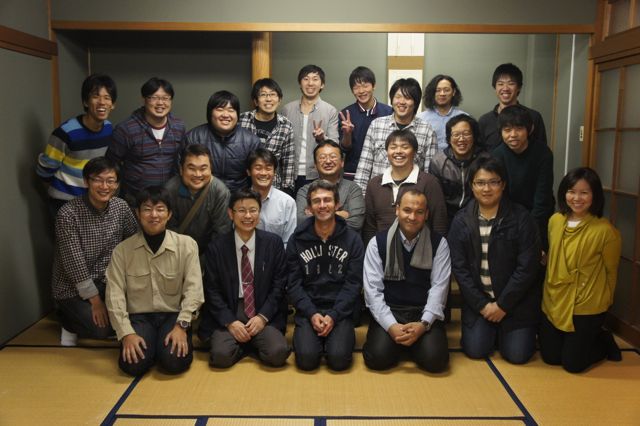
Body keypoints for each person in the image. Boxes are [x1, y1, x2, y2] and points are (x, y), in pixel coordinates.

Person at [448, 156, 541, 364]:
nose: (487, 189)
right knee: (476, 350)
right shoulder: (461, 220)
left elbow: (527, 267)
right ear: (472, 185)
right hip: (479, 303)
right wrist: (482, 305)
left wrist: (503, 305)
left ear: (503, 184)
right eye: (480, 183)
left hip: (515, 303)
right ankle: (492, 330)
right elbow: (459, 269)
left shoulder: (521, 218)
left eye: (493, 182)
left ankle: (504, 331)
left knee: (517, 355)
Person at [106, 186, 204, 376]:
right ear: (138, 213)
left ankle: (160, 348)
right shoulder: (122, 251)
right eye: (147, 209)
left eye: (160, 209)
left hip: (173, 316)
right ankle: (152, 348)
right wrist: (127, 333)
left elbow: (194, 290)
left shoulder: (187, 245)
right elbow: (114, 295)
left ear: (169, 214)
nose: (154, 215)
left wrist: (182, 326)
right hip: (140, 317)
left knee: (174, 362)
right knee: (132, 366)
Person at [540, 167, 622, 373]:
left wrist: (606, 301)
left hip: (585, 303)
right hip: (555, 298)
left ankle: (603, 340)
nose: (577, 198)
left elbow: (611, 271)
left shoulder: (605, 231)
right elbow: (554, 256)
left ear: (595, 196)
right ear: (563, 193)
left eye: (584, 193)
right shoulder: (555, 220)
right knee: (550, 357)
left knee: (573, 365)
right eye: (571, 191)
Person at [51, 157, 137, 346]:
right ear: (86, 181)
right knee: (102, 329)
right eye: (98, 180)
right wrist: (96, 302)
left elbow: (135, 242)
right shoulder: (68, 214)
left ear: (117, 184)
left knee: (140, 317)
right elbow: (75, 266)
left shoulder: (121, 207)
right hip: (73, 288)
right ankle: (67, 322)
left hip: (108, 282)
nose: (104, 186)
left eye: (110, 180)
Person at [199, 188, 290, 368]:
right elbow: (212, 291)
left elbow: (279, 286)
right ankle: (247, 345)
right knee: (220, 357)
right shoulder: (216, 247)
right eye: (241, 210)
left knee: (278, 353)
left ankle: (248, 343)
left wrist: (262, 317)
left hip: (261, 309)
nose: (248, 216)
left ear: (259, 212)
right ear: (230, 214)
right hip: (231, 310)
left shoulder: (273, 243)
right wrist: (230, 322)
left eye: (253, 210)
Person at [362, 190, 450, 372]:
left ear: (426, 214)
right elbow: (373, 292)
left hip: (422, 311)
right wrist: (391, 325)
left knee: (436, 361)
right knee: (377, 358)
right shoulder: (377, 243)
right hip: (390, 310)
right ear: (397, 210)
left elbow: (439, 288)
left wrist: (423, 325)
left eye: (419, 212)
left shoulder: (439, 243)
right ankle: (407, 345)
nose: (412, 217)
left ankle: (411, 344)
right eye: (407, 210)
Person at [287, 180, 364, 371]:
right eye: (317, 201)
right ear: (309, 208)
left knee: (338, 360)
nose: (322, 205)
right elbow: (293, 284)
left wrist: (334, 315)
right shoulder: (297, 239)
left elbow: (354, 284)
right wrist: (311, 313)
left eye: (327, 200)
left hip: (341, 310)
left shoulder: (353, 239)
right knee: (307, 360)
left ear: (337, 204)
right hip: (308, 309)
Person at [37, 74, 117, 217]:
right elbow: (45, 171)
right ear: (85, 102)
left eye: (107, 97)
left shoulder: (108, 129)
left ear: (113, 104)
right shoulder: (65, 133)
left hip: (93, 200)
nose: (102, 102)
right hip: (64, 202)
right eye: (96, 96)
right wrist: (60, 194)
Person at [107, 77, 186, 205]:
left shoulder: (178, 127)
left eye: (165, 98)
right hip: (135, 200)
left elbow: (180, 161)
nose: (160, 103)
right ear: (144, 100)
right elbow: (111, 165)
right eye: (154, 97)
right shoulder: (126, 129)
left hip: (167, 200)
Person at [362, 129, 447, 245]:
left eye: (405, 147)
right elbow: (369, 228)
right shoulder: (374, 184)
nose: (398, 151)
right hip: (381, 250)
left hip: (422, 250)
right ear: (387, 152)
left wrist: (436, 251)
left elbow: (439, 224)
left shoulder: (429, 182)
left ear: (415, 152)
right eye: (393, 147)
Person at [355, 78, 436, 197]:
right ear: (392, 100)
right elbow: (364, 167)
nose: (401, 102)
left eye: (407, 98)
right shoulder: (376, 125)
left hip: (411, 199)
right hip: (378, 196)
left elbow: (429, 173)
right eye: (398, 97)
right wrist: (359, 200)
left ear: (415, 102)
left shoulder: (427, 130)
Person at [492, 104, 554, 251]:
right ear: (501, 132)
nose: (513, 134)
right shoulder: (497, 155)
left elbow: (543, 195)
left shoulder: (543, 153)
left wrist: (531, 227)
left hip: (538, 215)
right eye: (507, 130)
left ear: (530, 129)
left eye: (519, 128)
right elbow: (500, 195)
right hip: (509, 216)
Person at [184, 90, 261, 192]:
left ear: (237, 114)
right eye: (220, 109)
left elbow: (257, 176)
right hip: (203, 196)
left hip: (238, 198)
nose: (225, 115)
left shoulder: (251, 141)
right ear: (210, 113)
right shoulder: (193, 137)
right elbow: (180, 173)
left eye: (231, 110)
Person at [281, 64, 339, 192]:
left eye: (315, 79)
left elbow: (335, 145)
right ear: (300, 83)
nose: (310, 83)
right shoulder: (287, 109)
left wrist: (322, 138)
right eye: (306, 79)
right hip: (289, 173)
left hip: (317, 174)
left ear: (322, 85)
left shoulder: (330, 111)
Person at [165, 144, 231, 254]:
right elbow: (169, 231)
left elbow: (221, 233)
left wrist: (204, 261)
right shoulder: (170, 190)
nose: (198, 174)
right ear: (181, 170)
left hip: (209, 253)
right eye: (191, 168)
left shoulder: (220, 192)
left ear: (211, 169)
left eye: (203, 169)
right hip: (177, 252)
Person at [429, 114, 488, 227]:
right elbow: (436, 200)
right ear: (449, 138)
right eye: (456, 135)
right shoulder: (438, 162)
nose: (461, 139)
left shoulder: (485, 160)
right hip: (447, 217)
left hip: (477, 216)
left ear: (474, 136)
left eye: (466, 134)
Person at [239, 78, 296, 196]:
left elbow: (288, 161)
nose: (268, 99)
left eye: (273, 94)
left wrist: (287, 191)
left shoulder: (285, 125)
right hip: (244, 186)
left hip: (273, 188)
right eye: (263, 95)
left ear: (279, 100)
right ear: (256, 101)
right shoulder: (242, 120)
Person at [296, 140, 365, 231]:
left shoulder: (353, 189)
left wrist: (315, 215)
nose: (328, 161)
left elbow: (356, 223)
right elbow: (301, 222)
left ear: (342, 162)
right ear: (315, 165)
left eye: (333, 157)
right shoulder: (305, 191)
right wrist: (340, 214)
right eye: (322, 157)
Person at [338, 66, 393, 180]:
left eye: (365, 86)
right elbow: (344, 149)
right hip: (353, 173)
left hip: (382, 173)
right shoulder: (346, 114)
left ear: (374, 86)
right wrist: (347, 134)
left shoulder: (388, 112)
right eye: (356, 87)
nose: (361, 91)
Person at [478, 63, 547, 151]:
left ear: (519, 87)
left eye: (511, 83)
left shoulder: (534, 117)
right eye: (500, 84)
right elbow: (480, 153)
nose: (505, 88)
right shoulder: (484, 121)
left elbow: (542, 151)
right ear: (495, 87)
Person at [247, 148, 297, 246]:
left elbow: (289, 242)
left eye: (268, 168)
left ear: (274, 172)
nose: (263, 173)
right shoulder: (240, 201)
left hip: (278, 254)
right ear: (248, 171)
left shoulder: (287, 203)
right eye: (258, 168)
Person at [418, 74, 467, 151]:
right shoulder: (421, 118)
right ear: (432, 93)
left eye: (446, 90)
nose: (442, 94)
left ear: (453, 92)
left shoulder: (464, 118)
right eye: (438, 90)